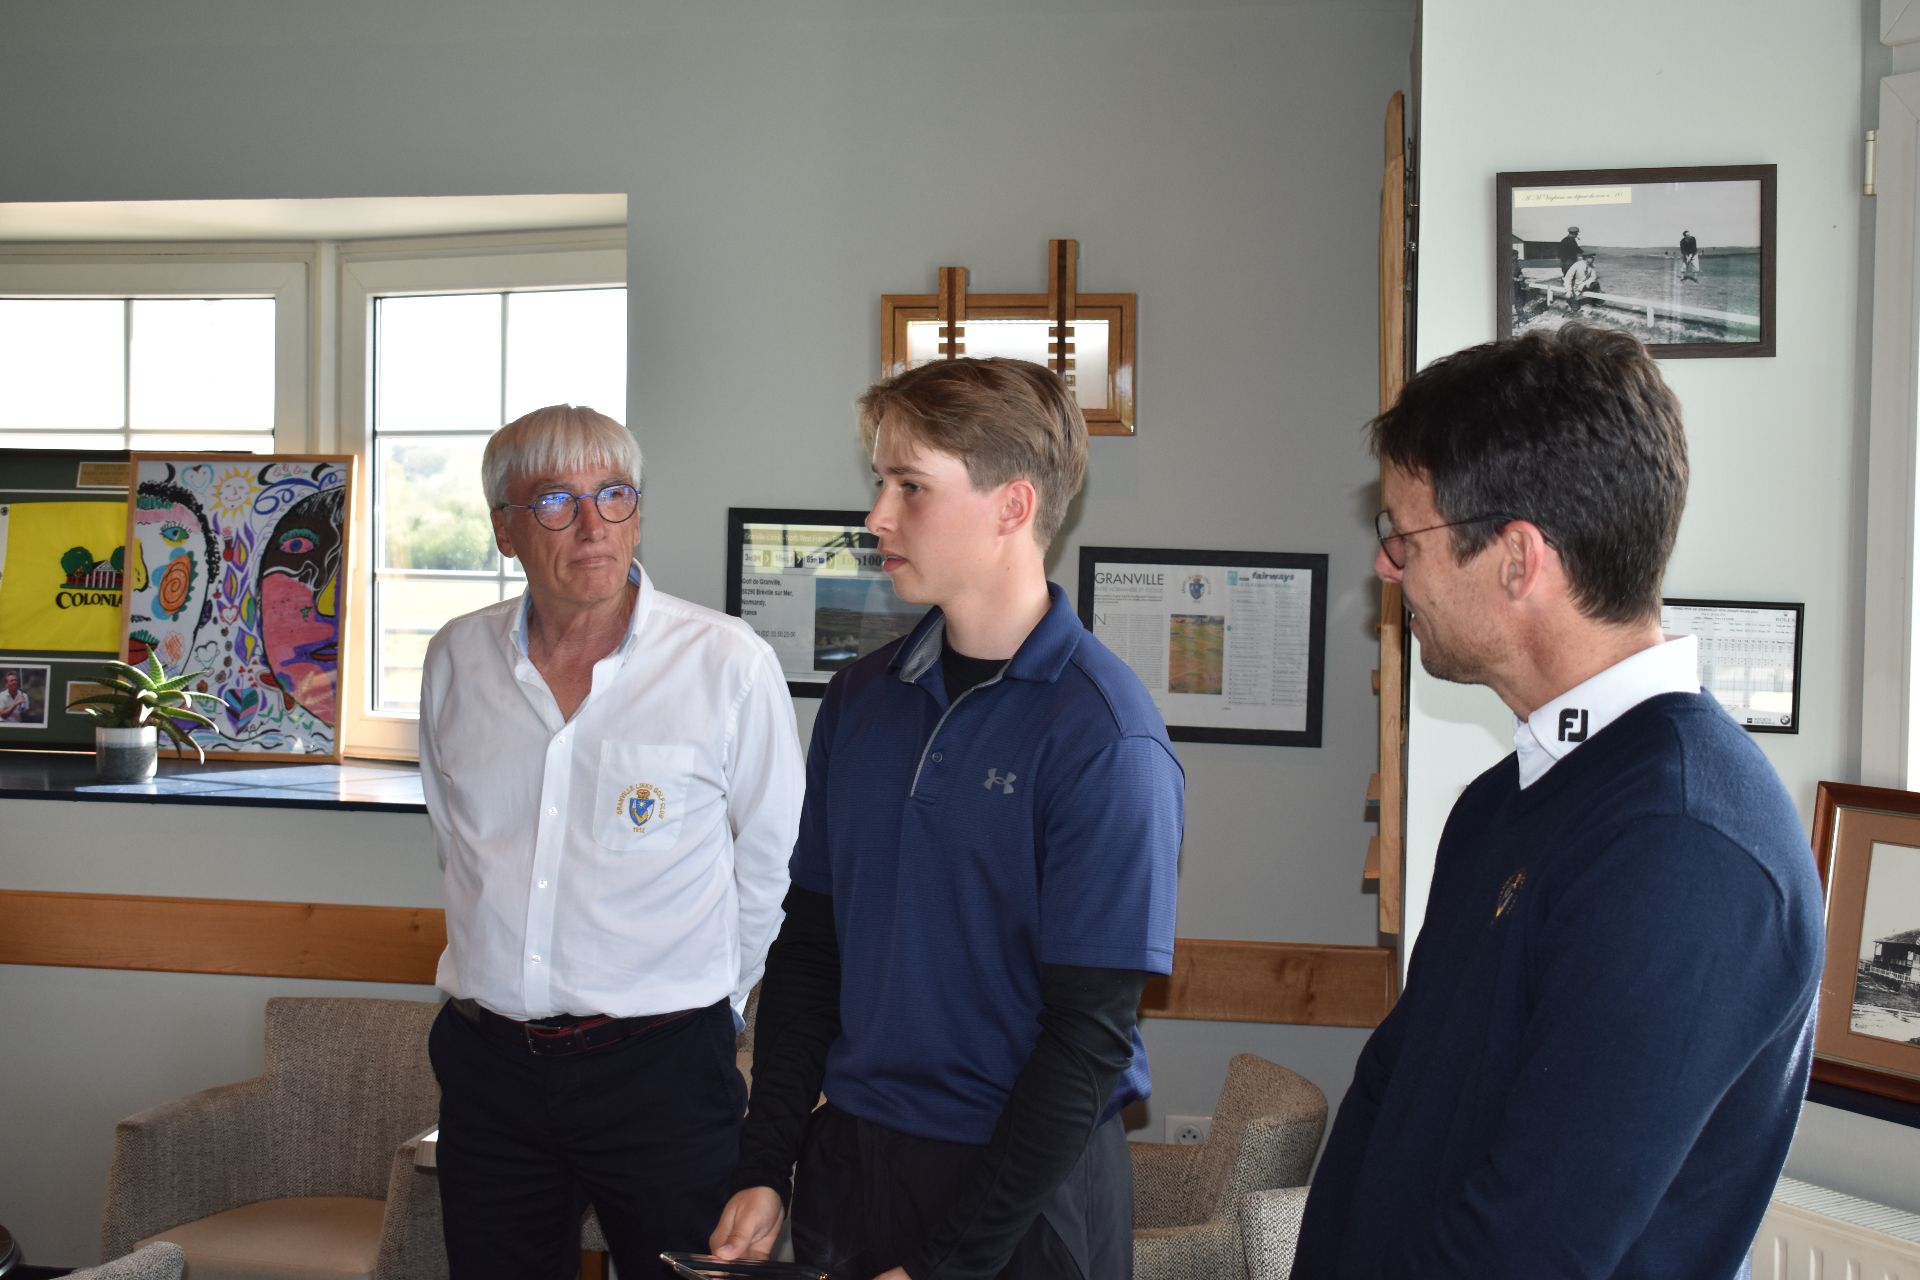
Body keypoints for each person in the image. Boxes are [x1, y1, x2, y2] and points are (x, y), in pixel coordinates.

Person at [1291, 325, 1824, 1278]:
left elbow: (1531, 1243)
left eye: (1404, 535)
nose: (1387, 567)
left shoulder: (1686, 846)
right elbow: (1390, 1097)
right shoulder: (1502, 801)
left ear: (1517, 558)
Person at [709, 357, 1184, 1280]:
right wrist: (766, 1163)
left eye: (911, 487)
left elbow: (1087, 1040)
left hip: (1023, 1195)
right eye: (880, 483)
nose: (876, 516)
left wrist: (946, 1264)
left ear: (1013, 507)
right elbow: (810, 951)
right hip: (855, 1162)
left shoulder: (1106, 735)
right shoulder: (860, 699)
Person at [417, 403, 804, 1280]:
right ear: (505, 530)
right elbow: (458, 840)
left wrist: (714, 1002)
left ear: (638, 511)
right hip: (490, 1072)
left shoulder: (725, 662)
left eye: (614, 495)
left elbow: (774, 864)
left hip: (664, 1073)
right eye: (556, 501)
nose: (593, 526)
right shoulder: (456, 659)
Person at [1556, 225, 1583, 302]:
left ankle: (1568, 293)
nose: (1577, 234)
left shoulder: (1565, 240)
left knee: (1567, 276)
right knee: (1570, 278)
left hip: (1564, 261)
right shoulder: (1571, 241)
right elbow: (1576, 249)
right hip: (1569, 261)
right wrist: (1582, 252)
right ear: (1574, 233)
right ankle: (1571, 297)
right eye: (1577, 233)